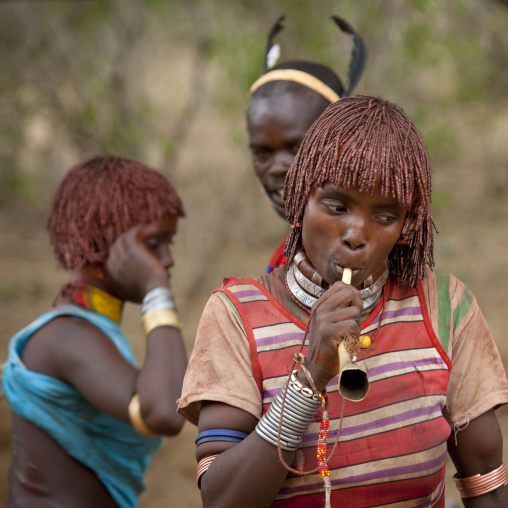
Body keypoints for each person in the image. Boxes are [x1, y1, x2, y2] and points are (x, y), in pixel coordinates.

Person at [178, 95, 508, 507]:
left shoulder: (445, 307)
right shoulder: (236, 315)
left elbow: (488, 489)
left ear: (407, 226)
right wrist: (310, 376)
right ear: (300, 198)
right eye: (336, 206)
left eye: (385, 216)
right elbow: (222, 499)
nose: (356, 234)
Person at [2, 155, 188, 508]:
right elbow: (164, 411)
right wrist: (156, 290)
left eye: (169, 243)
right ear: (105, 246)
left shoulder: (84, 330)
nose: (167, 260)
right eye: (152, 245)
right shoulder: (68, 337)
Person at [246, 14, 367, 273]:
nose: (278, 168)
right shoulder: (286, 260)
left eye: (297, 148)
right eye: (262, 152)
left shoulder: (367, 255)